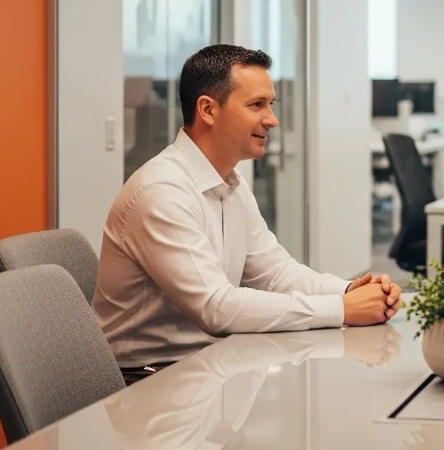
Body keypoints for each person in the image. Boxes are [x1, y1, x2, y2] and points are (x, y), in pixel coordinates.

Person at [95, 44, 400, 382]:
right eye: (257, 105)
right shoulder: (162, 191)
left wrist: (347, 291)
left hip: (208, 364)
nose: (272, 120)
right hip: (148, 379)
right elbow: (215, 307)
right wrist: (342, 309)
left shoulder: (230, 183)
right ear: (208, 110)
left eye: (271, 105)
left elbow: (275, 274)